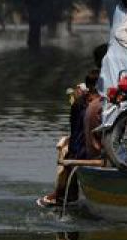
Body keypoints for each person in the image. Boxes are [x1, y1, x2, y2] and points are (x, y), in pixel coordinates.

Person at [39, 69, 102, 207]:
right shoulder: (98, 103)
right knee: (67, 154)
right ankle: (64, 193)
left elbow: (75, 132)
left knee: (67, 153)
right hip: (89, 150)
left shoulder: (81, 103)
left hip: (82, 149)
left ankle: (63, 193)